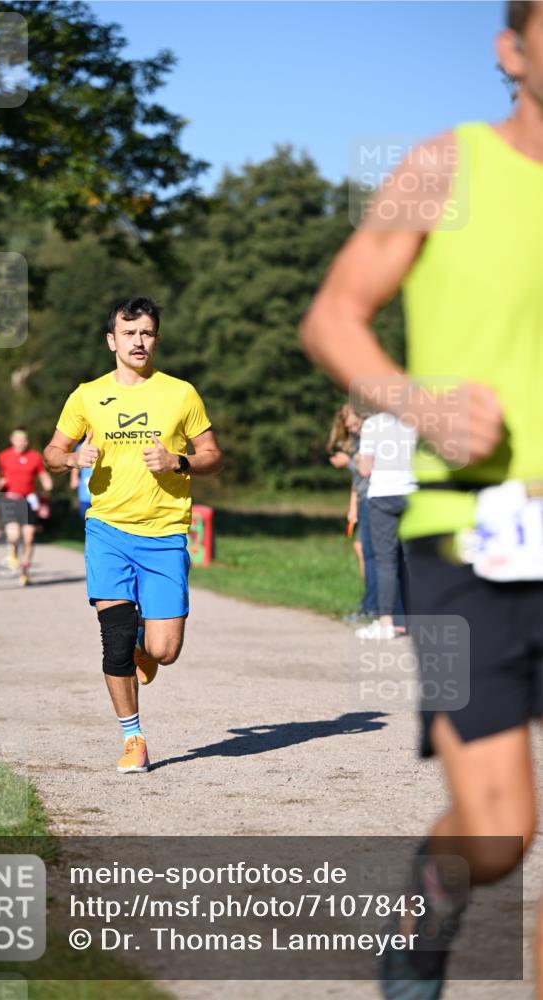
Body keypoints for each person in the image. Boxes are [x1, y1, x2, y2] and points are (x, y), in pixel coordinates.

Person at [300, 2, 542, 995]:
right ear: (511, 48)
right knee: (498, 833)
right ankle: (421, 920)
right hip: (465, 534)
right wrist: (421, 403)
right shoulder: (449, 166)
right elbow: (333, 317)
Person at [44, 296, 222, 774]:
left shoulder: (181, 394)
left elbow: (212, 455)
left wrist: (177, 461)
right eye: (129, 333)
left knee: (165, 651)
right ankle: (132, 738)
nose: (138, 341)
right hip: (108, 530)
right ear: (112, 341)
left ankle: (147, 640)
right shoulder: (87, 396)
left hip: (165, 533)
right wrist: (72, 458)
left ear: (156, 339)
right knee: (114, 638)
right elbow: (52, 451)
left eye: (146, 332)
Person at [355, 411, 417, 640]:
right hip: (413, 493)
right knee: (414, 560)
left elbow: (365, 469)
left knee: (385, 561)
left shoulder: (372, 424)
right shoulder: (417, 420)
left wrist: (357, 459)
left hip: (382, 495)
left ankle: (386, 623)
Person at [327, 404, 378, 622]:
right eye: (350, 427)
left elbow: (366, 471)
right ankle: (371, 602)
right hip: (364, 499)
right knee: (363, 550)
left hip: (374, 499)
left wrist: (348, 462)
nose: (354, 430)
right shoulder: (359, 439)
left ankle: (373, 606)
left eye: (356, 425)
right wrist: (353, 507)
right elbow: (357, 480)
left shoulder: (372, 437)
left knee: (371, 554)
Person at [0, 429, 53, 586]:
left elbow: (42, 475)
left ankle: (24, 572)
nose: (21, 442)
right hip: (10, 500)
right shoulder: (3, 456)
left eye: (24, 439)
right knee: (14, 536)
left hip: (29, 500)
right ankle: (13, 551)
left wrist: (47, 486)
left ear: (27, 441)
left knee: (29, 539)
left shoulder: (34, 456)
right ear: (12, 440)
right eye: (18, 439)